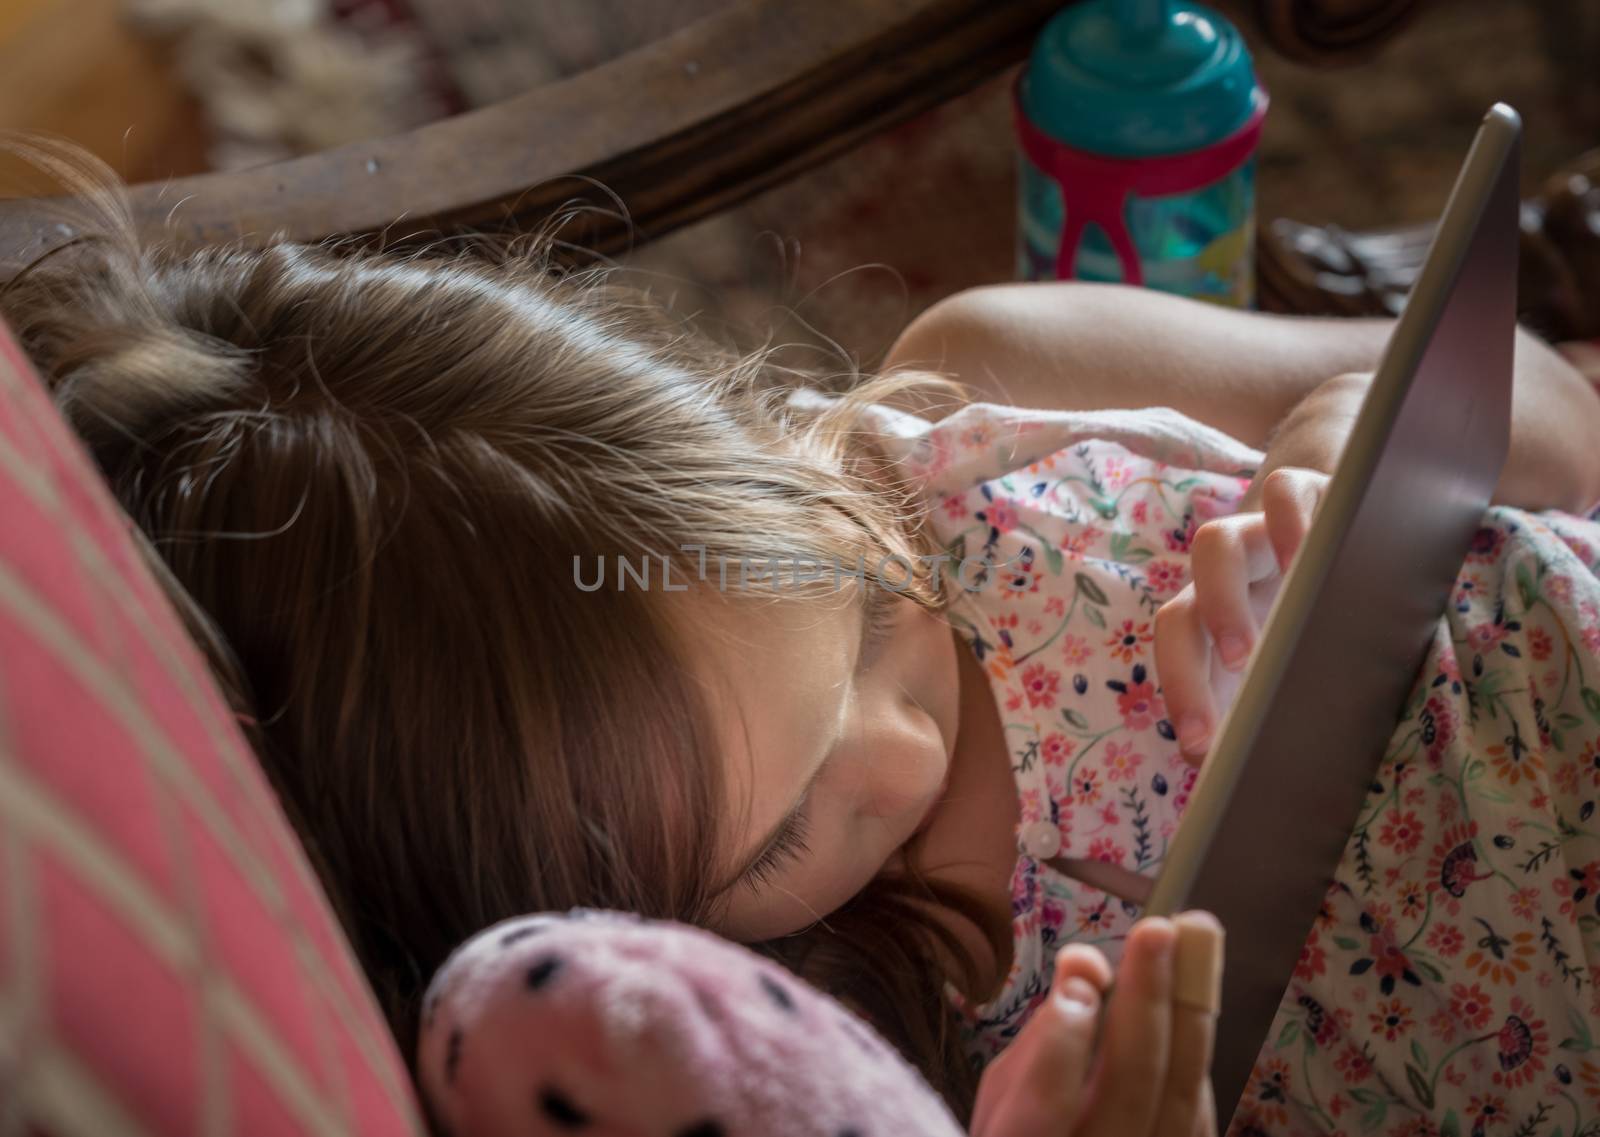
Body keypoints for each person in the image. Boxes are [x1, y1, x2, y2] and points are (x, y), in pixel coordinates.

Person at [6, 134, 1600, 1133]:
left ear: (753, 436)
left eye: (869, 616)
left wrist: (1328, 462)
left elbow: (1549, 403)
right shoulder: (805, 1052)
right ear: (647, 922)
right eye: (791, 830)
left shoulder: (990, 392)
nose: (906, 751)